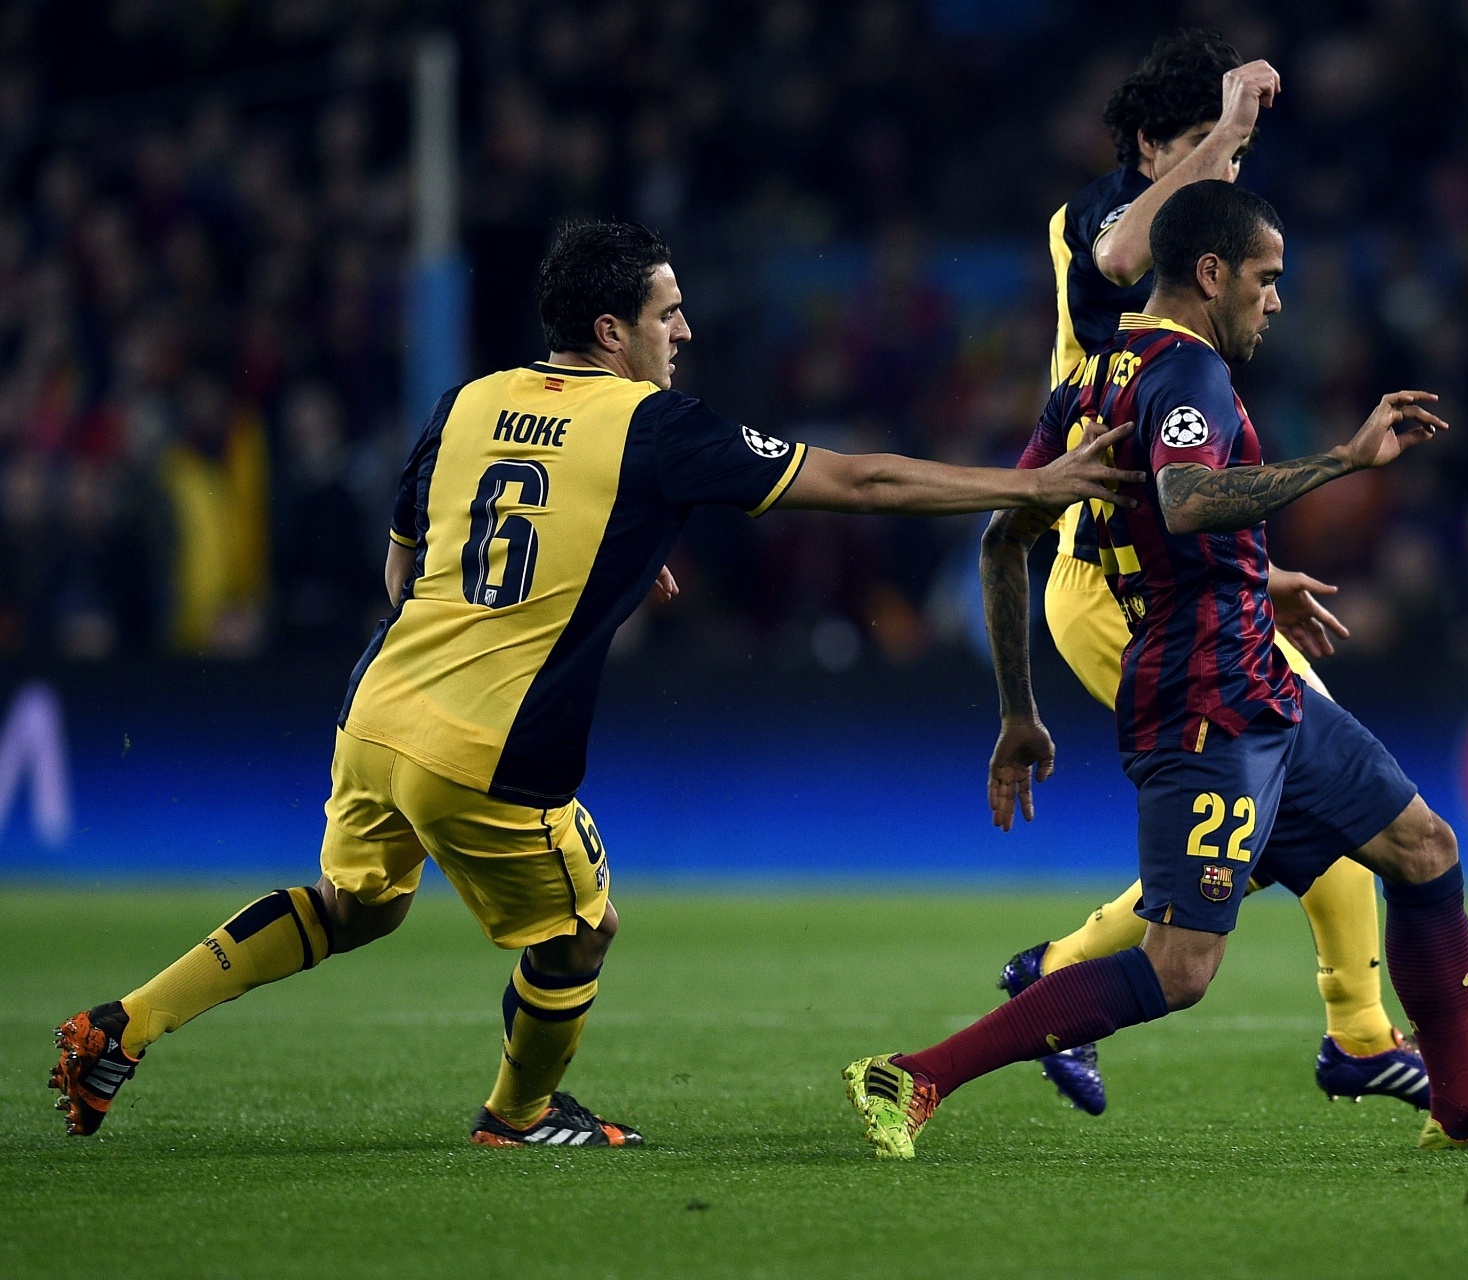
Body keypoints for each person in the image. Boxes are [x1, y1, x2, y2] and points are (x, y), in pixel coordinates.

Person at [50, 218, 1142, 1148]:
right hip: (487, 746)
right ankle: (519, 1115)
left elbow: (405, 563)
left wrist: (588, 554)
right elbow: (861, 478)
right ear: (612, 332)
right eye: (669, 314)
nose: (687, 333)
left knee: (353, 906)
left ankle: (124, 1024)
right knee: (583, 924)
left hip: (374, 708)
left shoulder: (466, 401)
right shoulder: (653, 426)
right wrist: (1033, 480)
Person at [844, 181, 1468, 1158]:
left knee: (1425, 848)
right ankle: (917, 1073)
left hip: (1254, 671)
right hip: (1203, 697)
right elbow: (1183, 501)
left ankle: (1463, 1109)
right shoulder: (1192, 377)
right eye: (1266, 278)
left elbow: (1006, 542)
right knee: (1180, 966)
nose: (1275, 299)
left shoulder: (1089, 379)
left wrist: (1023, 708)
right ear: (1211, 273)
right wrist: (1342, 461)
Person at [1011, 27, 1426, 1117]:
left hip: (1179, 568)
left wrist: (1258, 565)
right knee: (1302, 801)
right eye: (1198, 146)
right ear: (1150, 147)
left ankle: (1359, 1032)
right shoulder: (1099, 219)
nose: (1225, 169)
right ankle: (1354, 1034)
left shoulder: (1189, 285)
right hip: (1116, 582)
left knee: (1285, 813)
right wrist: (1233, 124)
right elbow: (1112, 262)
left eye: (1233, 151)